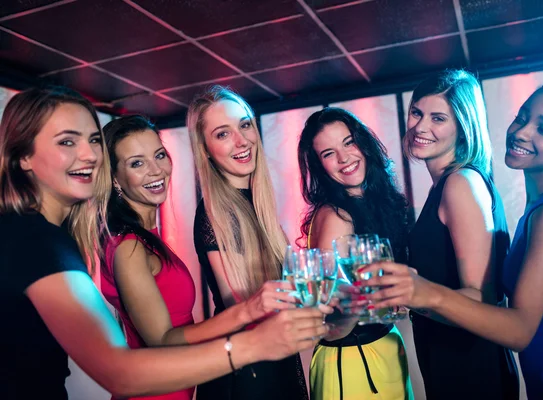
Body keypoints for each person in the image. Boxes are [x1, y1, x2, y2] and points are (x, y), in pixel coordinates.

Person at [0, 86, 328, 400]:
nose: (88, 155)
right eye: (67, 142)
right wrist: (252, 341)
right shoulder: (35, 239)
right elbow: (121, 368)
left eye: (93, 140)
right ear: (23, 156)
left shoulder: (50, 237)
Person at [361, 75, 543, 400]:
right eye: (522, 117)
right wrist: (410, 297)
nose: (522, 131)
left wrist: (423, 294)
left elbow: (515, 327)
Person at [100, 115, 301, 400]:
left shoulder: (147, 237)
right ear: (115, 178)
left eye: (159, 155)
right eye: (137, 163)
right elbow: (161, 341)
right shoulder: (129, 247)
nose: (156, 170)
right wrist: (247, 311)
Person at [365, 70, 518, 399]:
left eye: (438, 118)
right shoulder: (447, 184)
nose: (420, 127)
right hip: (449, 357)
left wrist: (413, 297)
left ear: (463, 126)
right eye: (417, 112)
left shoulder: (460, 184)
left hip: (470, 365)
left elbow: (482, 298)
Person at [187, 86, 309, 400]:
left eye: (244, 125)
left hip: (272, 357)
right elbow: (240, 307)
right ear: (206, 149)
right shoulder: (215, 213)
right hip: (244, 373)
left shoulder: (257, 204)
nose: (242, 141)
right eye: (222, 134)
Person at [297, 107, 413, 400]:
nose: (344, 158)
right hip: (351, 361)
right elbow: (327, 323)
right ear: (319, 166)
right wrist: (369, 301)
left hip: (383, 348)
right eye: (328, 153)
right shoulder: (336, 216)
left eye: (349, 142)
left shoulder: (375, 202)